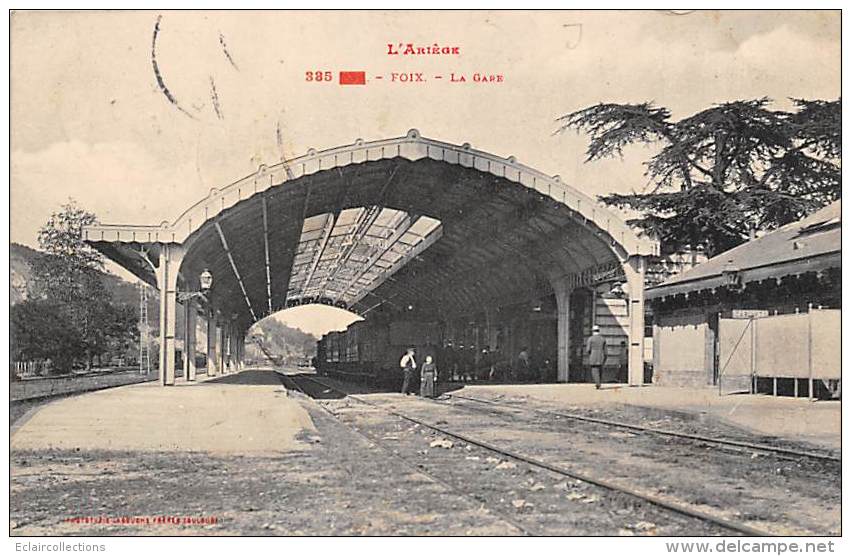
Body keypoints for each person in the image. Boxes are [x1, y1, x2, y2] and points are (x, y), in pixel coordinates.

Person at [585, 325, 607, 389]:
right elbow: (605, 351)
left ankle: (598, 383)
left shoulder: (590, 339)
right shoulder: (603, 339)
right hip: (601, 356)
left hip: (593, 356)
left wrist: (589, 354)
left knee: (594, 371)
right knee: (600, 370)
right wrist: (605, 358)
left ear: (593, 331)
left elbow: (588, 349)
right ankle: (599, 382)